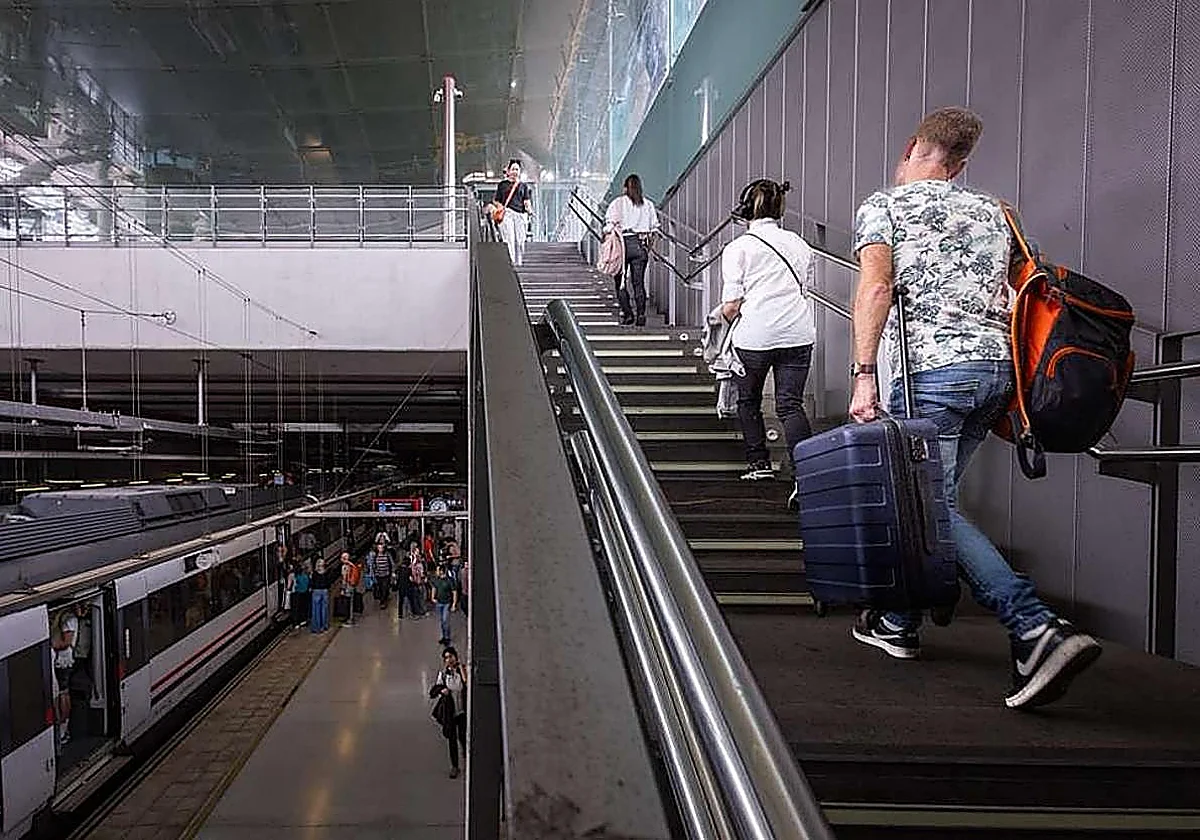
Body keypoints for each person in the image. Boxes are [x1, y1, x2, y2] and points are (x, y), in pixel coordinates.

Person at [848, 106, 1102, 710]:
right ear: (960, 164)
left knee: (924, 505)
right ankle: (896, 622)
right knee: (931, 500)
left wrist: (862, 375)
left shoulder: (885, 205)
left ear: (913, 147)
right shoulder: (997, 214)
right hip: (995, 374)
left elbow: (876, 286)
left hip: (927, 373)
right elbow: (1024, 289)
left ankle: (1034, 626)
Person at [720, 178, 817, 493]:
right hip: (797, 334)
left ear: (745, 210)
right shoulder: (799, 244)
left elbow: (731, 305)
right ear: (780, 209)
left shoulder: (738, 248)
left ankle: (758, 464)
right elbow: (805, 287)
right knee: (790, 405)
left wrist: (724, 319)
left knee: (748, 400)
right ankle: (804, 476)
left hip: (755, 337)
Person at [604, 174, 661, 326]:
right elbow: (655, 227)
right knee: (638, 283)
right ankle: (641, 315)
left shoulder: (618, 203)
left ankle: (628, 314)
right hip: (640, 245)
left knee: (620, 282)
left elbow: (609, 225)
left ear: (625, 188)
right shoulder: (648, 204)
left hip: (622, 245)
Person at [429, 646, 468, 779]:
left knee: (464, 737)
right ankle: (455, 766)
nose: (449, 660)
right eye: (446, 658)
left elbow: (467, 683)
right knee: (452, 740)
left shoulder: (462, 670)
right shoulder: (443, 675)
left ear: (456, 657)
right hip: (450, 714)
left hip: (462, 712)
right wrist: (441, 690)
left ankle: (467, 760)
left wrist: (461, 669)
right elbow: (432, 692)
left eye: (451, 656)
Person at [493, 159, 532, 267]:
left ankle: (519, 262)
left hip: (520, 214)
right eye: (513, 169)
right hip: (507, 214)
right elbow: (496, 200)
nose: (515, 171)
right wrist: (500, 206)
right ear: (508, 171)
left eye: (517, 169)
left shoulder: (523, 186)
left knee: (520, 240)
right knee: (509, 238)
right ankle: (511, 263)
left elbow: (526, 200)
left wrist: (529, 209)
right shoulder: (502, 185)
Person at [51, 608, 77, 745]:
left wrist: (50, 646)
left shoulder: (68, 619)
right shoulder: (67, 618)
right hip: (64, 661)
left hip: (63, 662)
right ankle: (64, 727)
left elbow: (66, 642)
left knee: (63, 694)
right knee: (64, 693)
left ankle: (63, 728)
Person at [430, 564, 458, 646]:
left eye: (438, 570)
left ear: (442, 571)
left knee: (445, 620)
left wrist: (454, 604)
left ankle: (447, 637)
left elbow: (454, 592)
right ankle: (443, 636)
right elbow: (434, 588)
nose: (436, 572)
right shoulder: (437, 580)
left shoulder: (450, 580)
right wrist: (432, 597)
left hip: (446, 603)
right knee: (442, 621)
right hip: (439, 602)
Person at [309, 557, 334, 633]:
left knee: (316, 610)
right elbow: (329, 582)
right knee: (324, 609)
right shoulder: (327, 573)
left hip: (316, 591)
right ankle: (324, 626)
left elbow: (311, 583)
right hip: (325, 591)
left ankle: (317, 628)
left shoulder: (314, 573)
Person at [367, 541, 394, 608]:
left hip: (386, 574)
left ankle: (383, 602)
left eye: (381, 548)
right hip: (378, 575)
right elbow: (373, 565)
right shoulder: (375, 556)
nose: (380, 549)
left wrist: (393, 572)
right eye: (379, 548)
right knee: (380, 588)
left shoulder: (387, 555)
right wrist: (373, 573)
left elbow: (391, 563)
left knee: (384, 587)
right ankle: (384, 597)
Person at [291, 561, 311, 629]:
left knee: (296, 609)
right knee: (303, 608)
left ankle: (296, 623)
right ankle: (303, 621)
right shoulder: (306, 575)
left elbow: (290, 586)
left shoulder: (294, 576)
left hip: (297, 594)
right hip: (305, 593)